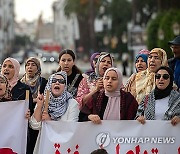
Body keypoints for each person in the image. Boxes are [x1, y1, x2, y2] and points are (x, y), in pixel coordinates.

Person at [29, 71, 79, 154]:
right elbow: (34, 125)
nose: (57, 83)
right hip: (44, 146)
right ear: (49, 84)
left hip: (62, 148)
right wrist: (39, 105)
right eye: (54, 80)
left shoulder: (72, 103)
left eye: (61, 81)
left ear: (65, 86)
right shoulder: (44, 101)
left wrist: (50, 122)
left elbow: (71, 129)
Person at [1, 57, 34, 154]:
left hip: (16, 133)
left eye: (11, 67)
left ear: (16, 70)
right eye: (4, 66)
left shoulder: (24, 89)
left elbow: (30, 110)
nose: (6, 69)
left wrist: (28, 113)